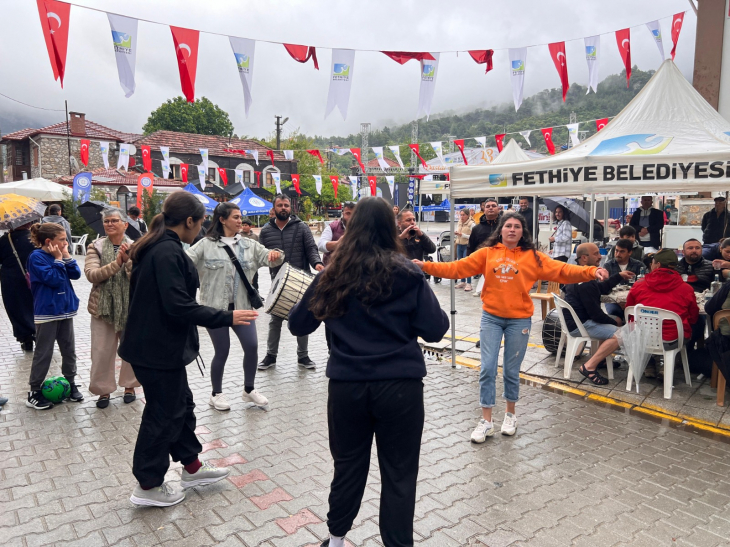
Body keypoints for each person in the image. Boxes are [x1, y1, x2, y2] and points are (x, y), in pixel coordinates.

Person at [288, 197, 449, 547]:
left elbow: (299, 325)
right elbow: (436, 330)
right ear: (391, 229)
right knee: (400, 472)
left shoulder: (333, 273)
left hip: (348, 385)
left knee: (347, 465)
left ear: (352, 226)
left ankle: (335, 538)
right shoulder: (408, 272)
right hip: (401, 386)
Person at [416, 212, 608, 442]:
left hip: (520, 320)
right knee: (487, 368)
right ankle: (486, 420)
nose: (512, 230)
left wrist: (590, 271)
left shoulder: (534, 257)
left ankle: (510, 415)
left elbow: (562, 270)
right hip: (491, 318)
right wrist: (426, 266)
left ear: (522, 232)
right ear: (501, 230)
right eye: (508, 226)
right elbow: (457, 268)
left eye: (517, 226)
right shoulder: (487, 254)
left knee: (510, 370)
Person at [118, 192, 257, 507]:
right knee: (162, 414)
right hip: (155, 350)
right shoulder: (164, 251)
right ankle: (148, 486)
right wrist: (227, 316)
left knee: (180, 404)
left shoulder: (161, 246)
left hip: (159, 347)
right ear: (190, 221)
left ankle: (192, 467)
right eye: (202, 221)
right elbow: (179, 307)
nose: (202, 228)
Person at [186, 202, 283, 411]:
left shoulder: (249, 245)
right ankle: (216, 394)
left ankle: (249, 390)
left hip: (243, 307)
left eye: (241, 217)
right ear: (222, 220)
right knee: (222, 351)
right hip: (215, 310)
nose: (240, 221)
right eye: (236, 217)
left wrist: (277, 254)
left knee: (252, 346)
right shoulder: (205, 245)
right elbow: (184, 261)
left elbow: (271, 259)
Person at [258, 194, 324, 371]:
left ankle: (303, 356)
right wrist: (266, 258)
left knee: (301, 318)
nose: (283, 208)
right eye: (280, 205)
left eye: (286, 205)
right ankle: (271, 356)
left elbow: (311, 249)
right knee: (275, 320)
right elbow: (260, 255)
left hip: (301, 280)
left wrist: (317, 263)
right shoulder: (265, 231)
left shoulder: (301, 227)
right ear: (274, 209)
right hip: (277, 282)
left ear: (290, 208)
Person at [84, 208, 139, 409]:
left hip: (130, 307)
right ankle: (103, 391)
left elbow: (140, 278)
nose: (109, 224)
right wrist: (117, 264)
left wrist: (128, 264)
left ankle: (130, 387)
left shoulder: (136, 247)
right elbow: (92, 274)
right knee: (101, 351)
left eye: (114, 220)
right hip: (102, 308)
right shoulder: (95, 246)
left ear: (125, 224)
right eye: (106, 221)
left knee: (130, 349)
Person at [26, 222, 84, 410]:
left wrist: (66, 256)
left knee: (69, 350)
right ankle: (34, 391)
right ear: (49, 241)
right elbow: (54, 279)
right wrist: (58, 259)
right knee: (44, 352)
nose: (66, 243)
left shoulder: (60, 254)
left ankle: (70, 382)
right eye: (62, 240)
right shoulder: (37, 257)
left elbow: (75, 274)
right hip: (47, 312)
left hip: (65, 310)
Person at [563, 243, 634, 385]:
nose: (600, 256)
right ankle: (589, 367)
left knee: (617, 320)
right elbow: (596, 315)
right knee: (621, 334)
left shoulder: (579, 273)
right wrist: (615, 325)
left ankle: (601, 359)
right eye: (595, 254)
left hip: (577, 320)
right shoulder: (584, 281)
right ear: (584, 258)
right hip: (581, 324)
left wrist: (618, 276)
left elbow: (600, 289)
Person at [626, 249, 699, 376]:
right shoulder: (686, 289)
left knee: (641, 328)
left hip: (644, 337)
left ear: (658, 265)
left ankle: (648, 364)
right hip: (673, 339)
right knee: (686, 329)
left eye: (652, 262)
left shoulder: (639, 285)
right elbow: (693, 317)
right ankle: (667, 365)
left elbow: (630, 313)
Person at [0, 223, 36, 351]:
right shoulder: (35, 237)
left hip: (11, 280)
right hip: (35, 277)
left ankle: (25, 338)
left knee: (16, 308)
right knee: (35, 305)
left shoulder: (5, 240)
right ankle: (39, 332)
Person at [454, 209, 475, 291]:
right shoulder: (459, 223)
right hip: (459, 244)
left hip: (467, 245)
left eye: (463, 215)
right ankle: (463, 281)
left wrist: (462, 235)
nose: (462, 217)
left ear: (468, 215)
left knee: (467, 264)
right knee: (461, 263)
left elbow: (473, 237)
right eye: (461, 215)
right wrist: (457, 234)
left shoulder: (472, 224)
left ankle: (469, 283)